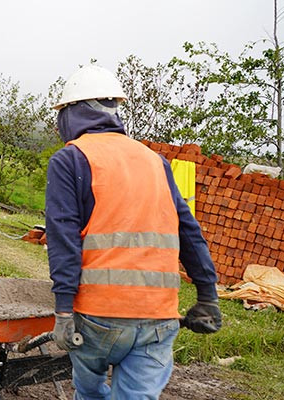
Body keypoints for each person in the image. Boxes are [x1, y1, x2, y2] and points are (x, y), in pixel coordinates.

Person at [45, 65, 222, 399]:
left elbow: (63, 239)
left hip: (98, 316)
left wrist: (63, 311)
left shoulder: (70, 159)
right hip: (159, 317)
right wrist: (207, 295)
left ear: (71, 113)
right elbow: (188, 231)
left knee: (89, 391)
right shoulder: (156, 161)